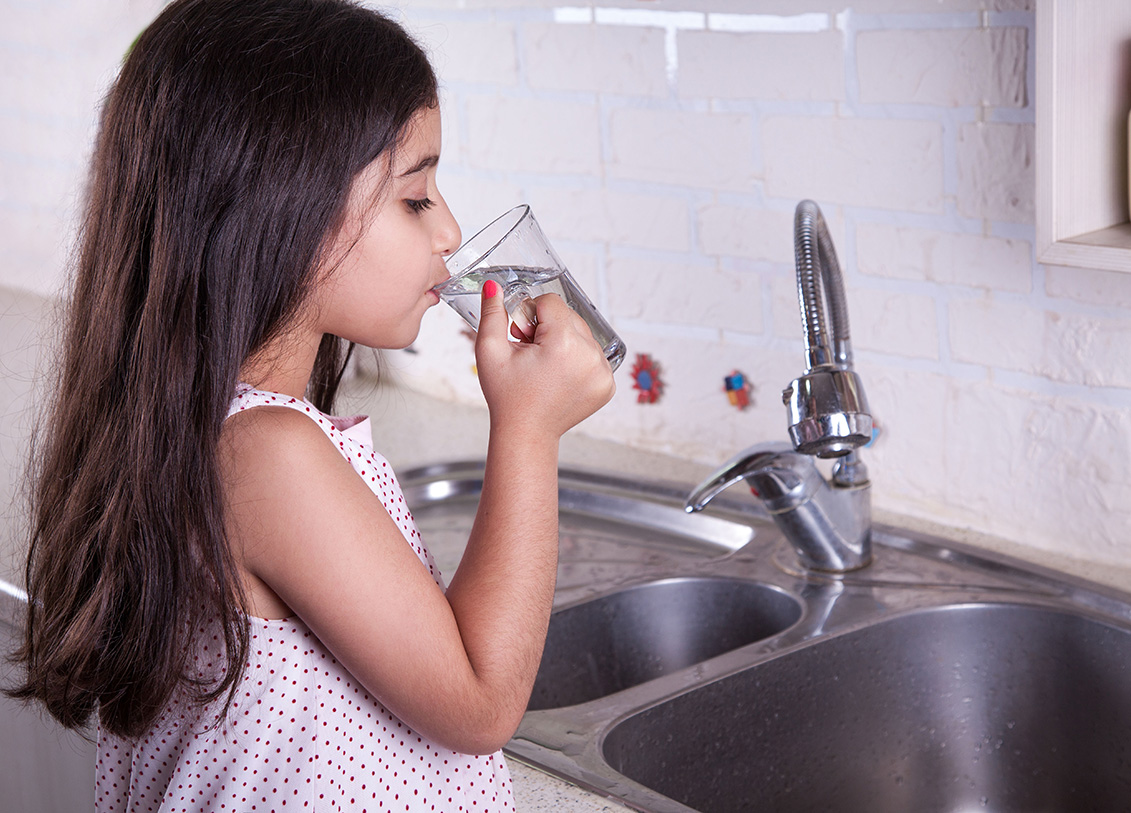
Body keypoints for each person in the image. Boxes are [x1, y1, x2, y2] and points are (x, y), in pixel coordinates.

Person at [8, 0, 615, 810]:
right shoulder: (267, 453)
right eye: (414, 197)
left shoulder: (218, 429)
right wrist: (529, 432)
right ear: (282, 207)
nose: (450, 230)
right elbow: (477, 703)